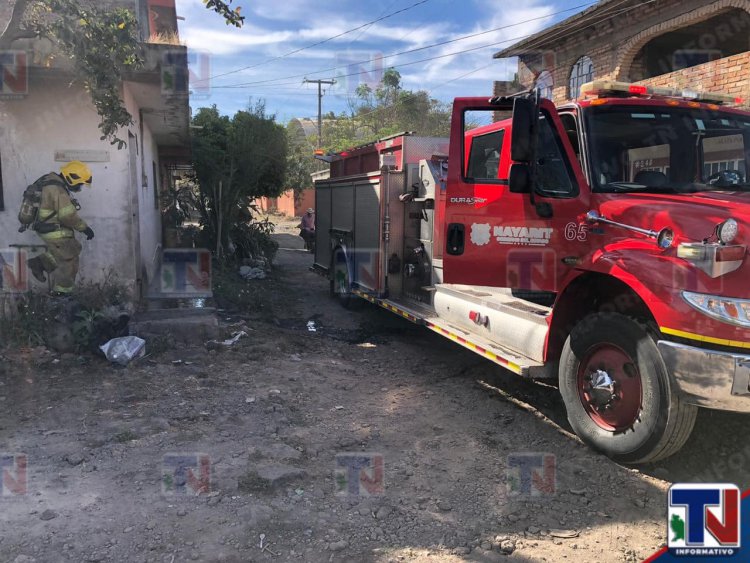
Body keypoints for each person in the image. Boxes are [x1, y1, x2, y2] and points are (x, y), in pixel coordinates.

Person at [23, 161, 95, 295]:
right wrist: (84, 228)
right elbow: (68, 216)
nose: (79, 188)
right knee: (69, 262)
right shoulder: (59, 190)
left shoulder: (49, 181)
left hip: (47, 227)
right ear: (71, 178)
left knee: (71, 249)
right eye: (79, 183)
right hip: (54, 230)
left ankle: (38, 263)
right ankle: (62, 295)